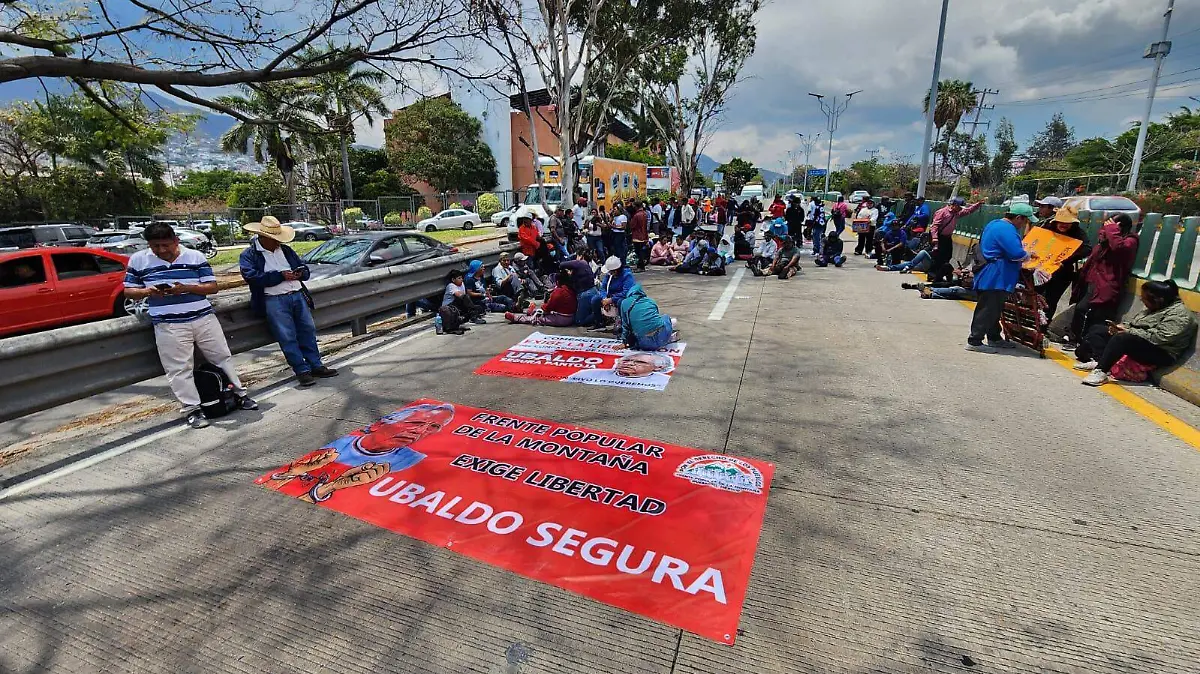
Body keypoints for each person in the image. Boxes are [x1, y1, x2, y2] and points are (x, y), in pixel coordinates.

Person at [125, 223, 256, 428]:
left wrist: (186, 288)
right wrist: (148, 292)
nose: (161, 250)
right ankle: (192, 409)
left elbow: (212, 287)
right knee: (178, 368)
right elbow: (129, 290)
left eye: (165, 245)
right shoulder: (139, 260)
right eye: (155, 246)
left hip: (202, 318)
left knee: (221, 356)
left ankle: (239, 394)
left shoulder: (194, 256)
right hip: (168, 323)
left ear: (175, 241)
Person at [260, 402, 451, 503]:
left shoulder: (408, 461)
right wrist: (295, 471)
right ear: (387, 420)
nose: (419, 432)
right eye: (416, 423)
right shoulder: (339, 445)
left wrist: (331, 487)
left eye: (432, 428)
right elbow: (274, 485)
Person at [240, 216, 338, 388]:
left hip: (297, 294)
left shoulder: (285, 250)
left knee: (308, 330)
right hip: (274, 299)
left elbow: (304, 268)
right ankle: (302, 370)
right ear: (264, 238)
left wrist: (300, 273)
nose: (278, 243)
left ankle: (316, 365)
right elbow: (252, 277)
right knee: (287, 336)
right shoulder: (249, 255)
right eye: (274, 239)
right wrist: (280, 276)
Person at [1072, 280, 1198, 386]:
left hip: (1162, 351)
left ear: (1158, 300)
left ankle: (1101, 371)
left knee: (1122, 339)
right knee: (1098, 330)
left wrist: (1128, 331)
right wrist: (1120, 327)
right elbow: (1137, 324)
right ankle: (1101, 362)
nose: (1143, 302)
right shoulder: (1155, 307)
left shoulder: (1180, 315)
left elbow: (1160, 337)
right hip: (1143, 340)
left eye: (1145, 299)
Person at [966, 203, 1036, 352]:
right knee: (988, 308)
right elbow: (1016, 253)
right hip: (996, 274)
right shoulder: (1007, 230)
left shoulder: (995, 224)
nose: (1024, 225)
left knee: (994, 308)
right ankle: (975, 340)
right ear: (1018, 218)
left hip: (991, 272)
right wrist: (1028, 256)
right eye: (1025, 221)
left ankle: (994, 337)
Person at [1067, 214, 1138, 346]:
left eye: (1108, 227)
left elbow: (1119, 248)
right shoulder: (1105, 242)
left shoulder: (1130, 241)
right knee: (1080, 310)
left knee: (1098, 318)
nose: (1103, 230)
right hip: (1092, 284)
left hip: (1108, 286)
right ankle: (1075, 339)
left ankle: (1090, 345)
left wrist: (1112, 230)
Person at [1035, 204, 1093, 320]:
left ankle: (1043, 326)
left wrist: (1067, 259)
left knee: (1051, 300)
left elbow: (1087, 248)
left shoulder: (1078, 233)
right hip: (1042, 270)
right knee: (1035, 296)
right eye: (1060, 222)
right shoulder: (1047, 227)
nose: (1063, 225)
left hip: (1062, 273)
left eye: (1067, 223)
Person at [929, 197, 984, 283]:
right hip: (939, 237)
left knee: (947, 256)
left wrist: (978, 204)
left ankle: (940, 274)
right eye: (959, 207)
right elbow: (935, 226)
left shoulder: (956, 213)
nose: (960, 209)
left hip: (947, 237)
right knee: (937, 257)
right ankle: (932, 274)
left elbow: (968, 211)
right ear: (954, 205)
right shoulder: (942, 212)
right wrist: (935, 237)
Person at [564, 352, 676, 389]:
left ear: (658, 367)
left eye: (639, 362)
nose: (630, 364)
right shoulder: (588, 373)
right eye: (626, 360)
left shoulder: (662, 381)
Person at [618, 284, 679, 351]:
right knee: (666, 317)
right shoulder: (650, 301)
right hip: (661, 337)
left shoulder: (624, 303)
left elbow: (625, 326)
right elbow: (656, 316)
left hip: (644, 344)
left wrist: (624, 342)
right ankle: (666, 338)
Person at [505, 273, 577, 327]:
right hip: (570, 317)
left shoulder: (559, 291)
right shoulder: (570, 289)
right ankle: (531, 311)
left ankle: (516, 318)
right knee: (541, 311)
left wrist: (543, 307)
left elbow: (548, 308)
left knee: (537, 318)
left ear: (558, 281)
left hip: (561, 318)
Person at [590, 255, 636, 332]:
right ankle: (599, 323)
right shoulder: (609, 276)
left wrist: (612, 299)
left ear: (615, 270)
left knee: (620, 302)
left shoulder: (627, 275)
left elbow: (626, 292)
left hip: (623, 298)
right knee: (595, 299)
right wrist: (604, 299)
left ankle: (624, 325)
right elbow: (603, 288)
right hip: (610, 297)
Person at [560, 253, 597, 327]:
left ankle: (599, 315)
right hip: (592, 291)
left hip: (585, 293)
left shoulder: (580, 263)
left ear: (580, 256)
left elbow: (562, 264)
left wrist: (570, 260)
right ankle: (596, 315)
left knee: (579, 321)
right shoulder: (586, 266)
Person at [629, 201, 650, 271]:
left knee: (638, 252)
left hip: (637, 236)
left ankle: (641, 266)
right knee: (640, 251)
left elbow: (632, 226)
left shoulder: (636, 215)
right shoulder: (645, 214)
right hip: (643, 235)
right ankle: (640, 266)